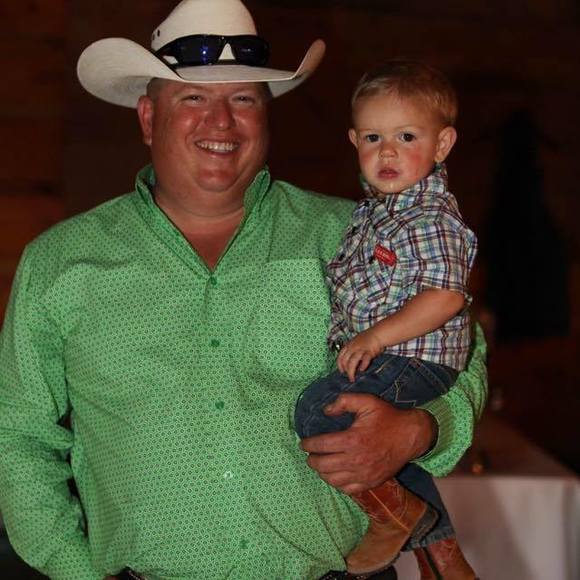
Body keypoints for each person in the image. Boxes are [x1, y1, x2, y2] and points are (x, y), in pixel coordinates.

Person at [0, 1, 487, 579]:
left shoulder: (354, 233)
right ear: (149, 118)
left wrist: (420, 430)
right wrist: (74, 571)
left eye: (243, 99)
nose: (221, 122)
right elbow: (18, 434)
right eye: (193, 99)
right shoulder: (61, 263)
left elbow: (463, 356)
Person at [294, 61, 478, 578]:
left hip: (414, 356)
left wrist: (375, 337)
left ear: (442, 145)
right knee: (378, 441)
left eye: (406, 136)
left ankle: (390, 516)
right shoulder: (377, 212)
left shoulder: (429, 215)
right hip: (399, 354)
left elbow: (446, 298)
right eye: (374, 137)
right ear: (354, 141)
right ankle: (443, 557)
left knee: (319, 411)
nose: (388, 151)